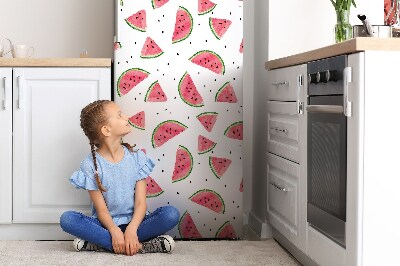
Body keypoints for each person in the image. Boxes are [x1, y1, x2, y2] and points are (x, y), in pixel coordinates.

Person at [60, 100, 179, 256]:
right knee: (67, 219)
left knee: (171, 214)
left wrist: (132, 228)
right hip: (106, 225)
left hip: (137, 223)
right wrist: (114, 230)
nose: (127, 116)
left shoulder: (136, 157)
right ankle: (142, 246)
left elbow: (141, 203)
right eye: (119, 115)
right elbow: (101, 210)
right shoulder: (90, 165)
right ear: (106, 130)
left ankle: (104, 244)